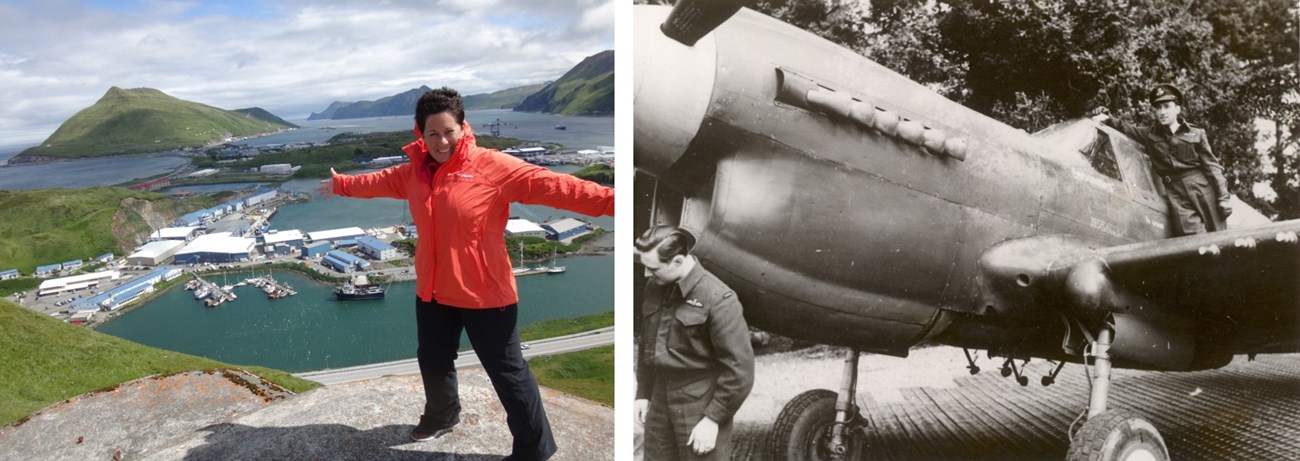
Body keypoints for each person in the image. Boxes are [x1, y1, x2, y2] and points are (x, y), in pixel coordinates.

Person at [323, 87, 614, 461]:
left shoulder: (492, 166)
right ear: (420, 134)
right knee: (433, 359)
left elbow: (560, 187)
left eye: (449, 132)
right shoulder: (415, 172)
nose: (442, 141)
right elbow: (376, 181)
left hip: (484, 293)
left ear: (463, 127)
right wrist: (341, 184)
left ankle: (534, 450)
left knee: (508, 373)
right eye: (433, 134)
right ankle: (442, 417)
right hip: (432, 289)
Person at [634, 226, 754, 461]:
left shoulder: (718, 298)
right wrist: (643, 393)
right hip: (660, 399)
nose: (648, 274)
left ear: (678, 261)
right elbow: (647, 344)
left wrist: (713, 419)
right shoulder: (655, 286)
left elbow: (740, 369)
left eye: (653, 267)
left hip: (700, 402)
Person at [1091, 84, 1232, 235]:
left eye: (1166, 107)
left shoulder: (1196, 133)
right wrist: (1106, 116)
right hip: (1175, 194)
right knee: (1192, 240)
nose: (1162, 112)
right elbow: (1124, 127)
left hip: (1202, 189)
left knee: (1220, 237)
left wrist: (1223, 197)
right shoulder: (1150, 135)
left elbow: (1212, 166)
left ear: (1177, 109)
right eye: (1158, 108)